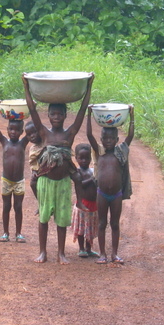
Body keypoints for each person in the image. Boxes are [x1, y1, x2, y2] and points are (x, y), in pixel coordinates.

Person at [23, 72, 94, 264]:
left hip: (63, 184)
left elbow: (82, 111)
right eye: (53, 114)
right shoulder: (43, 133)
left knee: (61, 221)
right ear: (48, 115)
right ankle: (42, 252)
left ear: (64, 115)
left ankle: (61, 253)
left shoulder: (70, 133)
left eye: (60, 114)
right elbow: (32, 109)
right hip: (45, 182)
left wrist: (89, 86)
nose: (56, 117)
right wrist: (26, 86)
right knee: (44, 219)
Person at [87, 104, 134, 265]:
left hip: (116, 195)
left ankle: (114, 254)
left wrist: (132, 115)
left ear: (116, 140)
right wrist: (89, 114)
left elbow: (130, 136)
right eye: (105, 138)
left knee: (114, 223)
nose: (108, 141)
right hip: (101, 193)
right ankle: (102, 254)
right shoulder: (99, 153)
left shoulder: (120, 153)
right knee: (101, 223)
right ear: (101, 140)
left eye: (111, 139)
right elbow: (89, 135)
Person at [0, 101, 30, 243]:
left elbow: (36, 127)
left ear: (22, 132)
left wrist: (33, 109)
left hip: (19, 181)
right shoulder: (4, 142)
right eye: (10, 129)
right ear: (7, 129)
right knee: (6, 206)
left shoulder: (23, 143)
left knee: (18, 207)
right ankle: (5, 232)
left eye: (16, 130)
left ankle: (19, 233)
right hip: (6, 180)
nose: (13, 132)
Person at [71, 143, 99, 258]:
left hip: (94, 205)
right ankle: (81, 248)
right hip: (82, 204)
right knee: (81, 228)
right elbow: (80, 185)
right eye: (81, 158)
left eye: (87, 158)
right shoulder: (77, 172)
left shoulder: (93, 171)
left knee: (90, 228)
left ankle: (89, 249)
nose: (84, 160)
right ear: (76, 158)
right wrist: (91, 180)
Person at [25, 121, 43, 216]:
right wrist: (33, 172)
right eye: (29, 135)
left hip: (50, 170)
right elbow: (32, 163)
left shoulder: (46, 141)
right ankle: (40, 203)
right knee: (32, 183)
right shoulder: (32, 148)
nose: (32, 136)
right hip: (39, 171)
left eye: (34, 132)